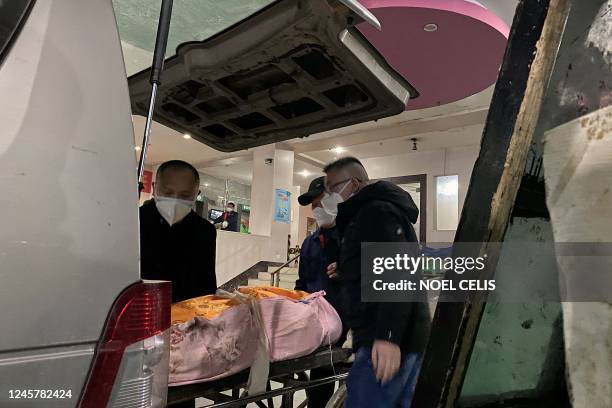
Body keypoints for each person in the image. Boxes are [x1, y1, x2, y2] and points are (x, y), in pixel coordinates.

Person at [322, 157, 430, 408]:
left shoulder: (375, 211)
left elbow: (398, 272)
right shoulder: (367, 212)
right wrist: (350, 268)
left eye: (333, 188)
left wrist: (388, 336)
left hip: (384, 340)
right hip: (394, 337)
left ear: (356, 184)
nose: (329, 196)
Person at [295, 176, 344, 408]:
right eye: (314, 205)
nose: (318, 209)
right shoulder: (309, 243)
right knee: (319, 389)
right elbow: (303, 283)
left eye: (323, 203)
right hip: (318, 330)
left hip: (349, 328)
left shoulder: (356, 240)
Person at [140, 160, 217, 303]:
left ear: (196, 194)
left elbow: (207, 283)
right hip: (140, 310)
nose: (175, 200)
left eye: (185, 195)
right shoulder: (135, 222)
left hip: (185, 314)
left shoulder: (205, 230)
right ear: (154, 188)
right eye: (168, 192)